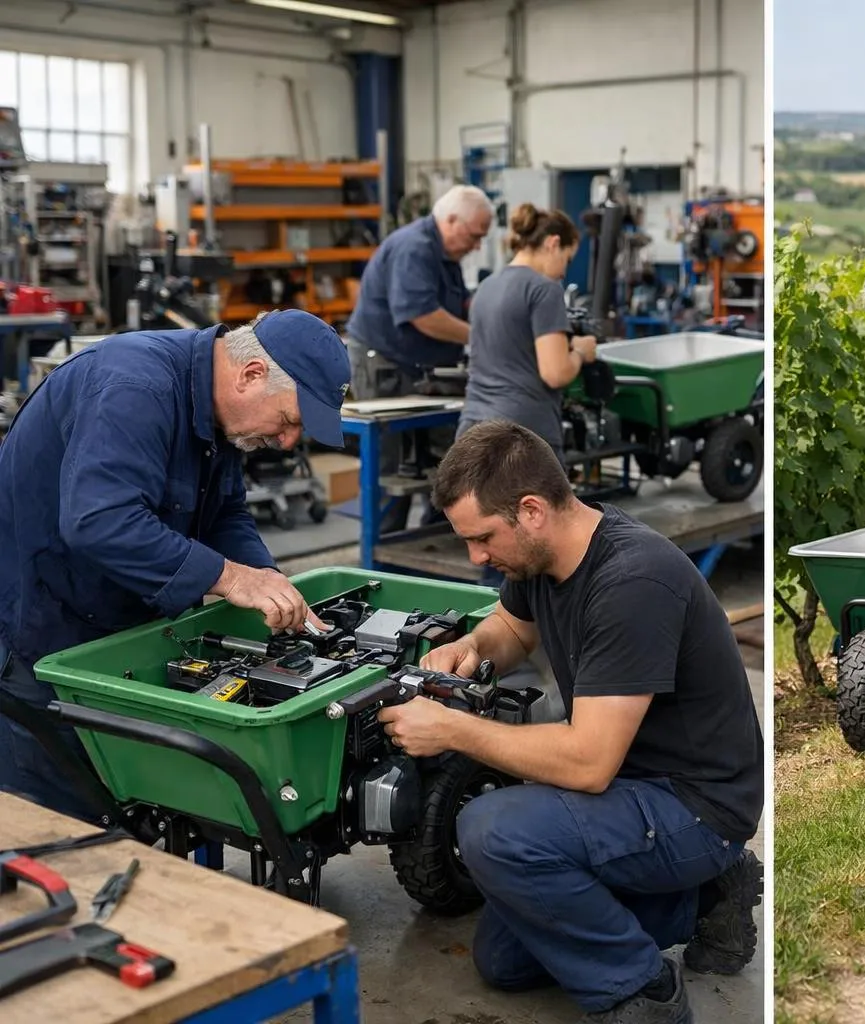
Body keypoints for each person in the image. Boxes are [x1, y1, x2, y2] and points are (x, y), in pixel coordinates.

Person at [377, 420, 763, 1024]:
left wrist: (451, 730)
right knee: (503, 963)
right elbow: (511, 629)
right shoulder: (544, 559)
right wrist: (472, 648)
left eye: (481, 538)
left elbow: (587, 761)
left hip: (694, 805)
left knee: (492, 830)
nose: (475, 557)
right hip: (630, 786)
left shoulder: (632, 581)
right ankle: (704, 899)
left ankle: (643, 993)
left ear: (531, 510)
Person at [0, 309, 352, 821]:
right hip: (37, 630)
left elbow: (224, 511)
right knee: (61, 829)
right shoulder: (132, 386)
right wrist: (231, 578)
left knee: (139, 806)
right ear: (251, 374)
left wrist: (265, 576)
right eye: (291, 419)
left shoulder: (218, 409)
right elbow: (100, 520)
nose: (289, 441)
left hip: (113, 626)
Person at [457, 202, 598, 587]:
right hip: (523, 438)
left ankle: (492, 632)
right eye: (567, 258)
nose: (564, 270)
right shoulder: (543, 289)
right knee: (538, 549)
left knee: (492, 547)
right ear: (553, 243)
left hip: (473, 431)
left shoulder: (488, 286)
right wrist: (581, 351)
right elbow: (555, 372)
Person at [344, 184, 494, 531]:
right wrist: (481, 337)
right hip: (387, 366)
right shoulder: (414, 248)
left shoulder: (446, 255)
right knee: (393, 466)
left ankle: (431, 539)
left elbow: (455, 304)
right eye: (474, 236)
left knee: (440, 462)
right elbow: (422, 314)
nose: (477, 246)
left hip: (422, 368)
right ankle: (381, 558)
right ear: (452, 220)